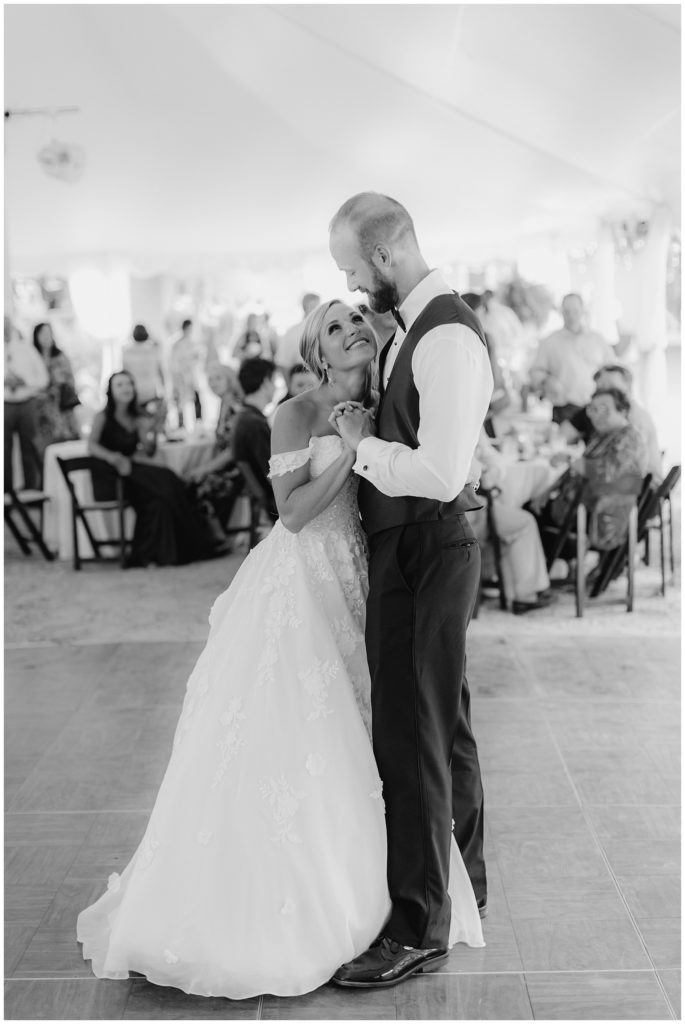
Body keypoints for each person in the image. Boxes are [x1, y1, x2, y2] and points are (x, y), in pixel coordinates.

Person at [76, 300, 484, 999]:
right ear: (315, 353)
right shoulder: (294, 412)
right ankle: (283, 909)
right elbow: (291, 515)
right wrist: (350, 450)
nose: (352, 327)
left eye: (356, 317)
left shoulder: (388, 400)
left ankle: (394, 900)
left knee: (374, 731)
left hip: (365, 573)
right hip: (302, 581)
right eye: (333, 326)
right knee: (299, 732)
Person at [328, 192, 492, 988]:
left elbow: (439, 470)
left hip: (428, 547)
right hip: (419, 546)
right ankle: (465, 884)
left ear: (384, 255)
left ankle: (417, 925)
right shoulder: (412, 332)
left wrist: (362, 448)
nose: (355, 288)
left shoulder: (448, 334)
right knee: (442, 721)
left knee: (411, 732)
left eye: (353, 270)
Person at [88, 371, 223, 567]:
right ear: (111, 391)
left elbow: (149, 451)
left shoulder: (138, 417)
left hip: (132, 469)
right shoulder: (102, 416)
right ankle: (199, 540)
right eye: (120, 385)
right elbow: (91, 445)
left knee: (161, 497)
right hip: (112, 474)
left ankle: (169, 553)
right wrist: (113, 457)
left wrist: (151, 429)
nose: (126, 388)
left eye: (129, 384)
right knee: (168, 479)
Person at [535, 387, 647, 559]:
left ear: (622, 411)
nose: (596, 415)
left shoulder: (629, 437)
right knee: (532, 507)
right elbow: (579, 468)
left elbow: (608, 472)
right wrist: (549, 490)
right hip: (579, 508)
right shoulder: (602, 435)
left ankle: (538, 576)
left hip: (599, 516)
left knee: (525, 515)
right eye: (592, 409)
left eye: (603, 409)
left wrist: (571, 460)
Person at [472, 429, 554, 614]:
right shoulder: (464, 417)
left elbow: (491, 457)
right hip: (467, 510)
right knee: (523, 523)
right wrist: (488, 474)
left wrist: (493, 471)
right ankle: (526, 595)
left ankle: (511, 588)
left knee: (513, 517)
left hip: (469, 504)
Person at [561, 363, 663, 484]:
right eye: (600, 387)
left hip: (640, 490)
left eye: (610, 386)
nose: (604, 391)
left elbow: (610, 473)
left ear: (627, 387)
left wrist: (571, 461)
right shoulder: (607, 427)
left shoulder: (634, 423)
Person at [529, 293, 614, 424]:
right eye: (567, 312)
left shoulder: (598, 340)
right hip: (564, 410)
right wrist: (546, 381)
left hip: (596, 408)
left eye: (575, 311)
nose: (571, 316)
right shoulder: (550, 342)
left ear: (583, 311)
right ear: (561, 313)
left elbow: (613, 369)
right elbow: (535, 372)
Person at [185, 363, 243, 537]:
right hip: (228, 465)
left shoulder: (234, 406)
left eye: (218, 378)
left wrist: (204, 469)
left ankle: (217, 537)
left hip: (238, 468)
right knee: (189, 480)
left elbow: (233, 450)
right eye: (210, 380)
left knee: (197, 484)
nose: (213, 383)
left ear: (230, 379)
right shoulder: (223, 404)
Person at [231, 358, 279, 520]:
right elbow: (273, 474)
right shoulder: (254, 423)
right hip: (275, 503)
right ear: (266, 382)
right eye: (274, 381)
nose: (276, 386)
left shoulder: (243, 417)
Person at [4, 317, 48, 491]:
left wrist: (25, 381)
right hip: (4, 404)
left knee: (29, 448)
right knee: (3, 451)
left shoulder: (26, 349)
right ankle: (6, 493)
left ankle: (32, 490)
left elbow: (43, 379)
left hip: (26, 404)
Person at [32, 322, 80, 455]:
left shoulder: (60, 356)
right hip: (42, 411)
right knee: (46, 447)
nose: (47, 337)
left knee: (66, 446)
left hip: (61, 408)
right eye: (43, 333)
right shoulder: (33, 358)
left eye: (49, 333)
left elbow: (69, 380)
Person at [122, 324, 167, 411]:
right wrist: (164, 388)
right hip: (151, 391)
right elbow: (160, 371)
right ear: (146, 334)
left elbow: (124, 374)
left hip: (134, 393)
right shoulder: (154, 350)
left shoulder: (126, 351)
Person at [275, 292, 320, 372]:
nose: (316, 310)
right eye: (313, 306)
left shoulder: (323, 329)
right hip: (302, 378)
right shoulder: (292, 333)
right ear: (304, 307)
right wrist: (290, 384)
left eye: (318, 307)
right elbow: (283, 363)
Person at [169, 319, 202, 428]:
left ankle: (199, 423)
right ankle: (181, 424)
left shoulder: (192, 343)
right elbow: (174, 364)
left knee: (196, 400)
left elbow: (196, 359)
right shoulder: (177, 344)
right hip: (181, 378)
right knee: (180, 402)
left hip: (191, 377)